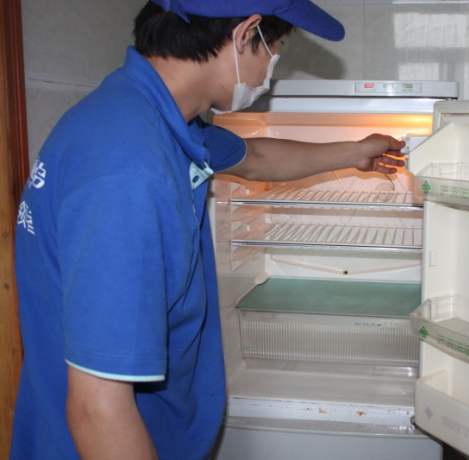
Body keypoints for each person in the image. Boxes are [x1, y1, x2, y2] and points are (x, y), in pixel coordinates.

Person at [10, 1, 405, 459]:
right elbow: (99, 410)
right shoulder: (127, 167)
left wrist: (354, 152)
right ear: (245, 34)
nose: (271, 69)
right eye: (276, 49)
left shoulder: (147, 114)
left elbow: (254, 158)